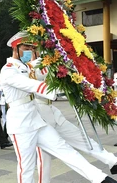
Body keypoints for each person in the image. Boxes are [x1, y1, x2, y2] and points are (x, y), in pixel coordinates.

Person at [0, 30, 116, 183]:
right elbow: (30, 84)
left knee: (65, 150)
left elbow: (47, 64)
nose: (30, 51)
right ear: (15, 48)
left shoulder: (26, 67)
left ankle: (101, 179)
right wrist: (55, 91)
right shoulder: (8, 70)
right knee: (26, 168)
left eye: (32, 48)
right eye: (26, 48)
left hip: (37, 120)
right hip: (21, 125)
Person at [27, 50, 117, 182]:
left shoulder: (49, 61)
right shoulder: (30, 66)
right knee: (44, 159)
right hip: (40, 112)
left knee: (81, 138)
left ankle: (111, 160)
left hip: (52, 110)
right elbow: (38, 73)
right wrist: (57, 60)